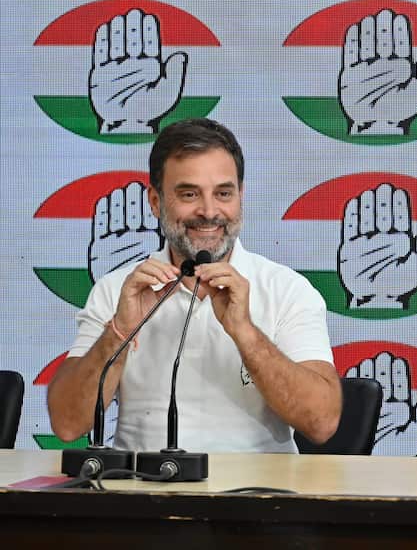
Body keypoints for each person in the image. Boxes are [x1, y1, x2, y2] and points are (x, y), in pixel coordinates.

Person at [48, 118, 341, 453]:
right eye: (189, 194)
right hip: (141, 484)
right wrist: (119, 332)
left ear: (241, 196)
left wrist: (245, 332)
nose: (209, 211)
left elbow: (321, 423)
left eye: (223, 193)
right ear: (155, 201)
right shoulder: (118, 290)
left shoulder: (287, 290)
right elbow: (68, 424)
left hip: (258, 485)